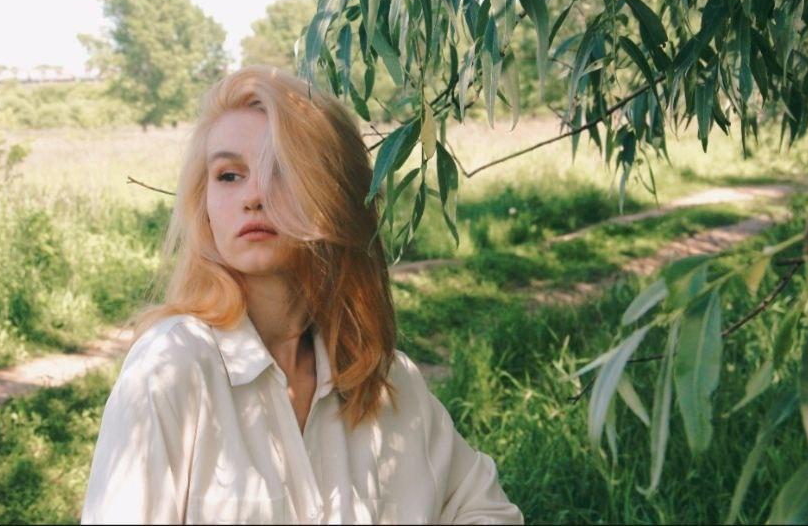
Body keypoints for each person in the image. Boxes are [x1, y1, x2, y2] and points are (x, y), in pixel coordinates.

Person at [80, 66, 522, 524]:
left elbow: (487, 511)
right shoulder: (172, 366)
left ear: (335, 196)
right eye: (228, 175)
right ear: (204, 206)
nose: (253, 196)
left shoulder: (388, 382)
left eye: (281, 171)